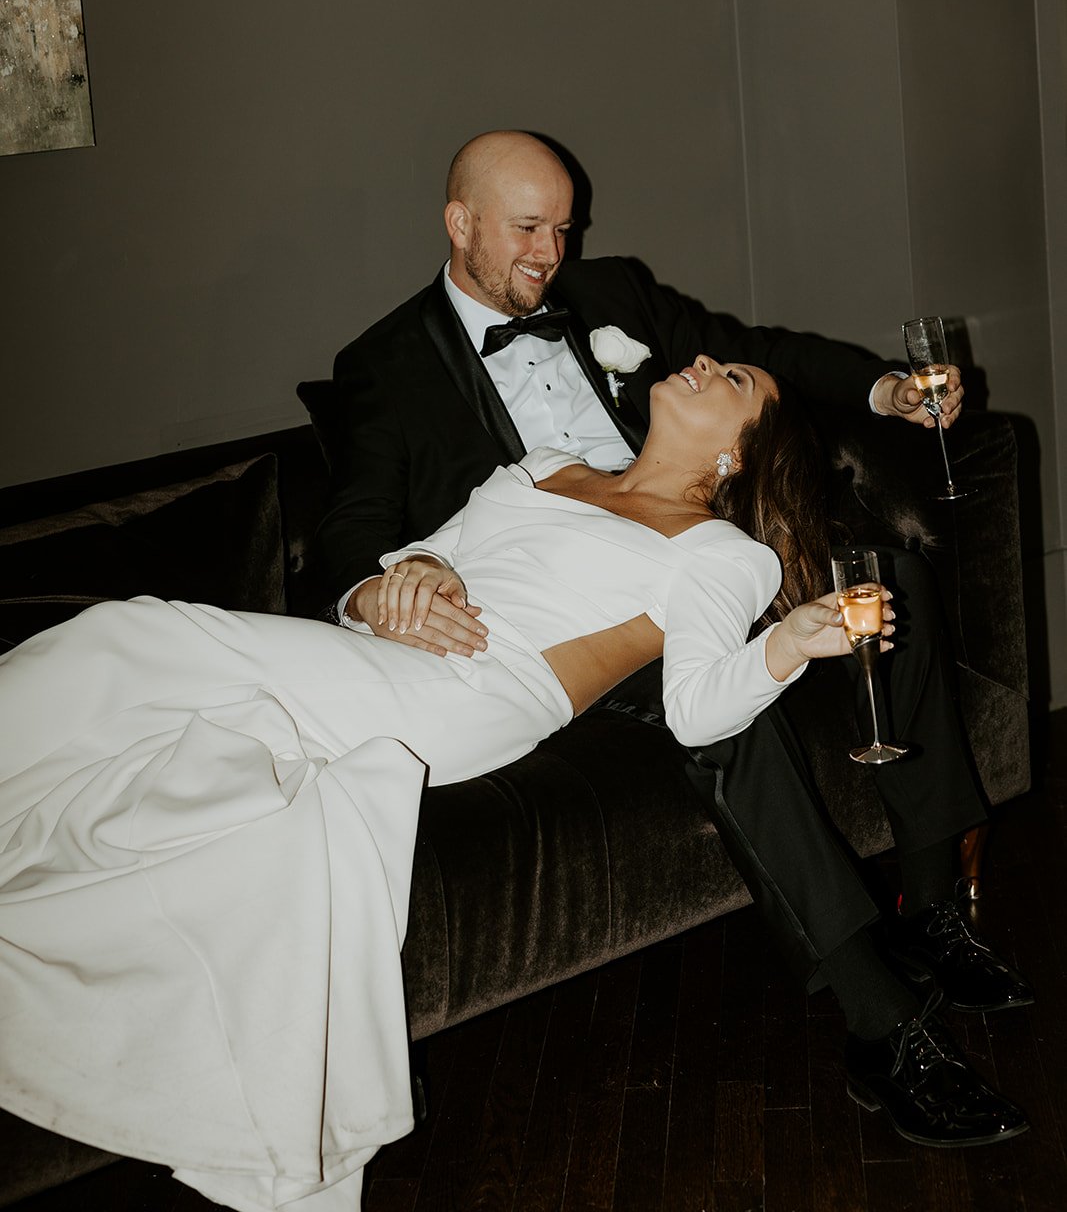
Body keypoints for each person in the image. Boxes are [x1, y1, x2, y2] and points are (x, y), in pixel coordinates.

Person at [3, 356, 1025, 1212]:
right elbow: (418, 555)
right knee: (148, 726)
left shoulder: (718, 551)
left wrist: (789, 646)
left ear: (736, 453)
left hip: (474, 697)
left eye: (733, 378)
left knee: (137, 634)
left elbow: (696, 711)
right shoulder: (541, 466)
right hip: (383, 658)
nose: (704, 360)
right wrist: (400, 583)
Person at [314, 130, 1032, 1148]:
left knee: (889, 579)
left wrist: (886, 390)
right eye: (526, 229)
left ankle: (933, 906)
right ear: (458, 223)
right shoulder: (383, 363)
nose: (549, 252)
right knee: (715, 716)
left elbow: (759, 348)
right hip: (585, 617)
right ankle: (882, 1019)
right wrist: (386, 582)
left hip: (715, 534)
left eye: (562, 228)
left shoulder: (611, 291)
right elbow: (352, 523)